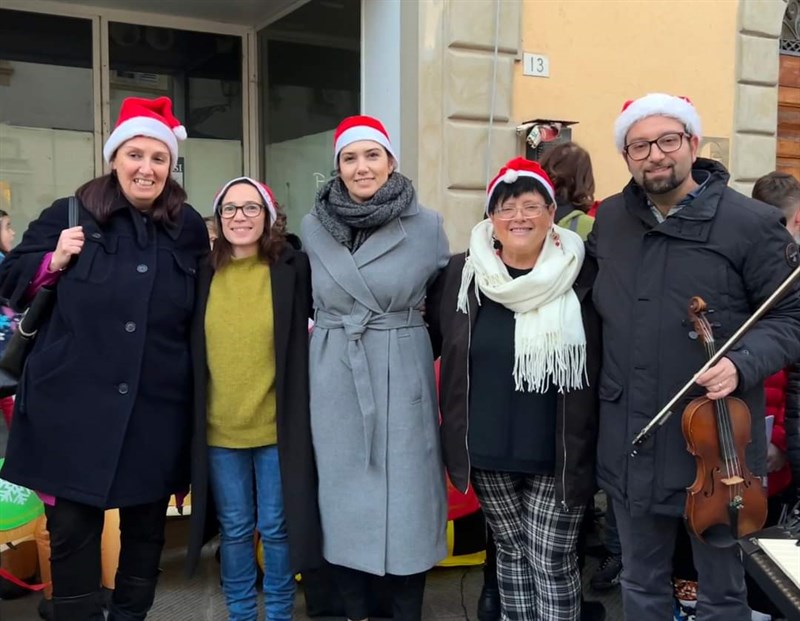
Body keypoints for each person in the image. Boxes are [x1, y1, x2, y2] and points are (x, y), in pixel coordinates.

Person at [587, 92, 800, 621]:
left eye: (668, 140)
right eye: (640, 145)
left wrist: (743, 362)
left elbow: (790, 316)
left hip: (718, 446)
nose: (656, 155)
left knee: (723, 592)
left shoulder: (750, 223)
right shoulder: (609, 219)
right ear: (626, 156)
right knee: (640, 581)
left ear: (692, 143)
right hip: (632, 434)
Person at [0, 96, 208, 621]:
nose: (147, 167)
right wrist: (53, 259)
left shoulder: (186, 228)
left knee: (145, 532)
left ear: (170, 166)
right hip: (72, 407)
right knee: (72, 531)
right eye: (135, 154)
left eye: (159, 158)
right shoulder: (68, 214)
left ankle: (131, 615)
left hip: (156, 407)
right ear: (114, 158)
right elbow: (10, 279)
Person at [428, 157, 601, 621]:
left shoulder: (583, 274)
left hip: (558, 450)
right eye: (506, 208)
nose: (518, 217)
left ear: (551, 212)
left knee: (552, 562)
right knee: (509, 553)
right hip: (486, 451)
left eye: (531, 205)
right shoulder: (461, 275)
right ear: (491, 218)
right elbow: (429, 339)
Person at [300, 115, 450, 621]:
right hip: (337, 368)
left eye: (371, 155)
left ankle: (404, 610)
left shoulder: (427, 225)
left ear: (391, 162)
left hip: (402, 365)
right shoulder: (312, 227)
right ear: (337, 168)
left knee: (406, 498)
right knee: (343, 496)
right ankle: (353, 609)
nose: (361, 167)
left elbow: (447, 301)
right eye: (349, 158)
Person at [185, 177, 321, 620]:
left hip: (276, 427)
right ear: (217, 218)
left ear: (268, 216)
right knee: (236, 530)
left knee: (277, 530)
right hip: (220, 429)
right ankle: (241, 614)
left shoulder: (292, 268)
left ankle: (279, 613)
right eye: (230, 209)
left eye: (250, 208)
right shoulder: (202, 271)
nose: (239, 217)